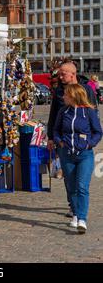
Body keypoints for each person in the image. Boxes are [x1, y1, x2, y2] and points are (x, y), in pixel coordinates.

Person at [47, 61, 97, 217]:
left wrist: (90, 140)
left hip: (82, 141)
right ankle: (72, 205)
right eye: (59, 74)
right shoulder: (59, 92)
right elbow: (53, 115)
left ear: (72, 74)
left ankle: (79, 212)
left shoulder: (87, 89)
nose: (60, 76)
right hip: (64, 140)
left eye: (63, 74)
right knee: (69, 177)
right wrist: (51, 138)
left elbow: (94, 112)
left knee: (81, 180)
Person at [53, 84, 102, 233]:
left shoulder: (89, 111)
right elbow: (56, 130)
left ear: (74, 96)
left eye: (66, 95)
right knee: (72, 187)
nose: (63, 97)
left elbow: (98, 132)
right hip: (67, 154)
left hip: (85, 155)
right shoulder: (63, 111)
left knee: (82, 187)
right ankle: (75, 214)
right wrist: (59, 142)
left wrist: (89, 144)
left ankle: (82, 219)